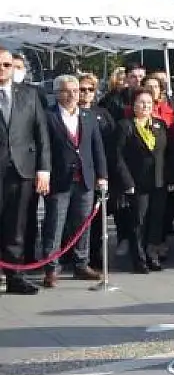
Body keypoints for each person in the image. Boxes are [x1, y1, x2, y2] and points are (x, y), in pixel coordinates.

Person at [41, 75, 108, 286]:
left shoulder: (88, 116)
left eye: (76, 90)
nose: (72, 95)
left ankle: (81, 263)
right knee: (55, 225)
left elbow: (97, 148)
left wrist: (102, 175)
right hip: (59, 179)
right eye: (67, 91)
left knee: (83, 224)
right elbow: (45, 149)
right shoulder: (48, 116)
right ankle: (52, 267)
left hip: (85, 179)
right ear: (57, 93)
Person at [0, 47, 51, 295]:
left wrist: (44, 169)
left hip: (22, 170)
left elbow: (42, 135)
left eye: (7, 65)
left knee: (17, 227)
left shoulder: (30, 95)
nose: (2, 69)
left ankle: (15, 276)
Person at [115, 88, 172, 273]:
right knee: (139, 222)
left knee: (156, 220)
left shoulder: (159, 125)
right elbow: (118, 157)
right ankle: (139, 259)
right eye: (141, 102)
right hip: (137, 183)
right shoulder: (126, 126)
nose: (145, 106)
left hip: (158, 181)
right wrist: (127, 182)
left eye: (149, 102)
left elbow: (167, 154)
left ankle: (152, 255)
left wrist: (170, 177)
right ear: (133, 105)